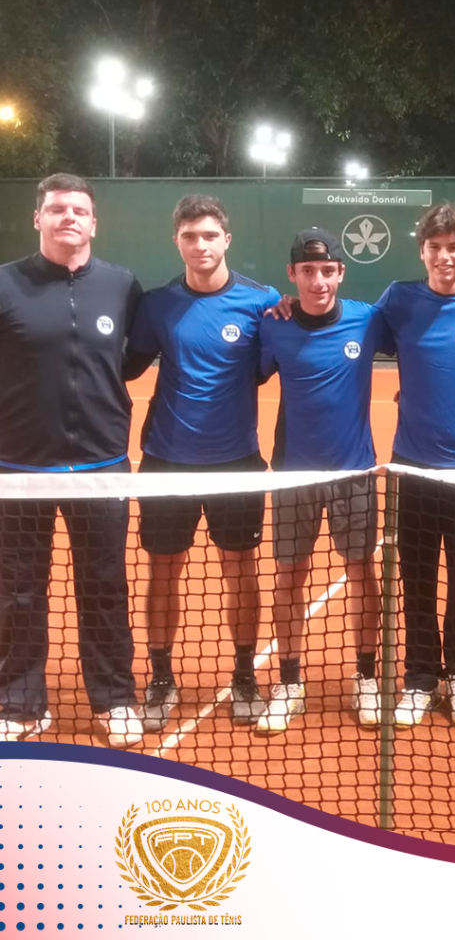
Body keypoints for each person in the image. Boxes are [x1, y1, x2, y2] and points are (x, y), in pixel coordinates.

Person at [0, 173, 144, 746]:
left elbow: (131, 359)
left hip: (101, 466)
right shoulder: (4, 284)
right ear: (38, 218)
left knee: (106, 586)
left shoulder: (121, 285)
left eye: (79, 210)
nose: (68, 217)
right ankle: (19, 703)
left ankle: (115, 700)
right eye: (57, 208)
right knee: (17, 591)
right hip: (18, 469)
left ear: (93, 223)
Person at [127, 194, 280, 732]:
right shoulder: (157, 305)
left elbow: (285, 355)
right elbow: (123, 366)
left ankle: (244, 675)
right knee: (162, 570)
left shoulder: (263, 303)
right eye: (190, 236)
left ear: (226, 239)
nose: (200, 245)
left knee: (241, 569)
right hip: (166, 462)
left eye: (210, 235)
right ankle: (161, 677)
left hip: (236, 463)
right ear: (177, 241)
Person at [376, 202, 455, 729]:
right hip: (413, 468)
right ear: (422, 251)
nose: (444, 256)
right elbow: (350, 329)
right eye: (435, 247)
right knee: (417, 576)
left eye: (454, 247)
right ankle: (419, 678)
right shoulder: (399, 299)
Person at [256, 228, 388, 732]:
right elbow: (245, 374)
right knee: (289, 575)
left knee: (362, 572)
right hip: (294, 474)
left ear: (341, 273)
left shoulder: (368, 319)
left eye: (327, 270)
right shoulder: (274, 326)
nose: (318, 281)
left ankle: (366, 677)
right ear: (292, 274)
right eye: (307, 271)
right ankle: (289, 682)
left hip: (355, 473)